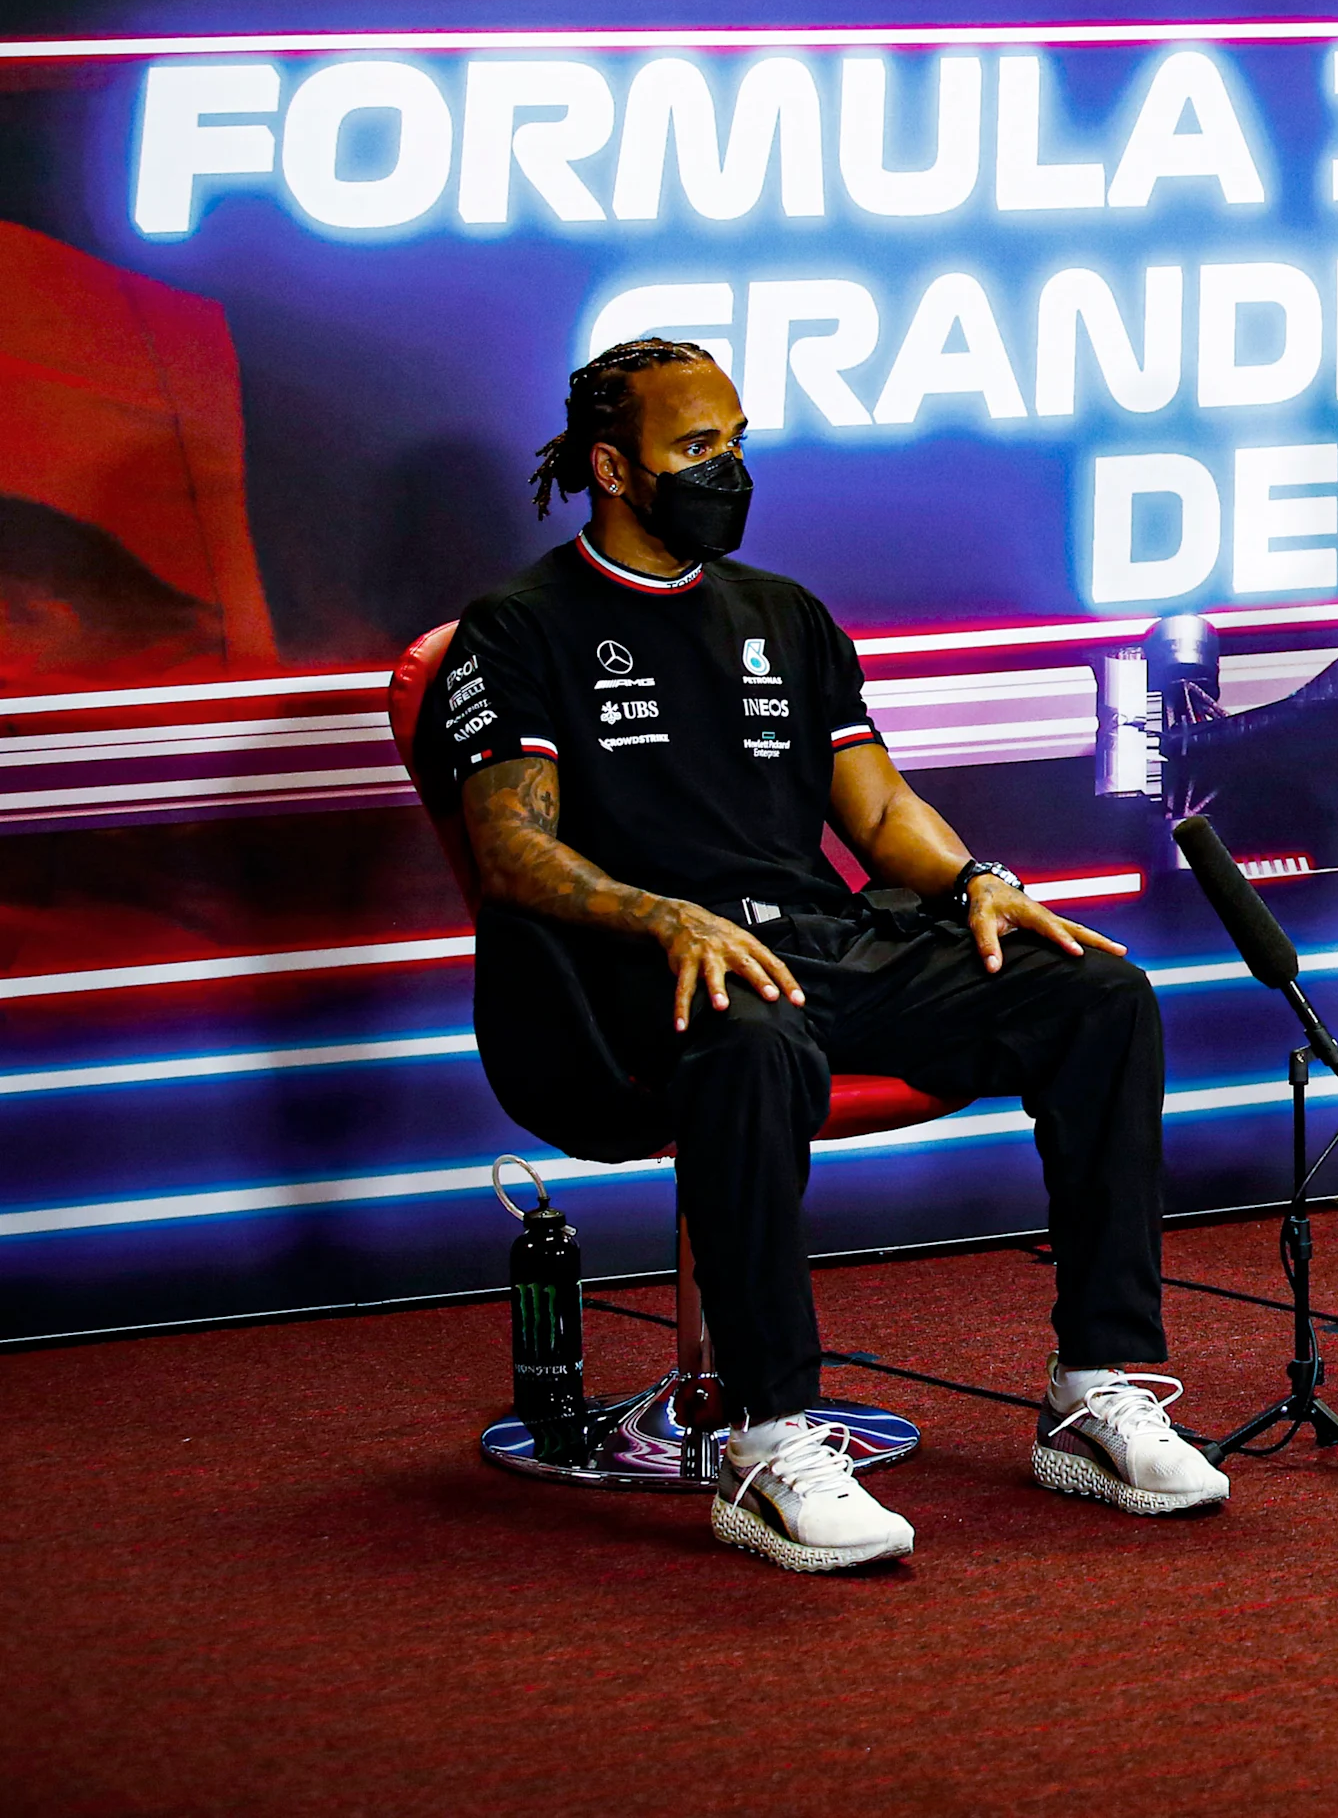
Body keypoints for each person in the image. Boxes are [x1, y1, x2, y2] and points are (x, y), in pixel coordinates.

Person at [435, 338, 1225, 1573]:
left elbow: (876, 811)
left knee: (1097, 994)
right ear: (612, 467)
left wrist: (977, 882)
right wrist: (665, 915)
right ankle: (765, 1433)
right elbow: (510, 850)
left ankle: (1093, 1383)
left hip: (815, 943)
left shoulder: (783, 614)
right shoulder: (517, 628)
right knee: (751, 1043)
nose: (729, 467)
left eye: (737, 440)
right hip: (638, 972)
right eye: (697, 448)